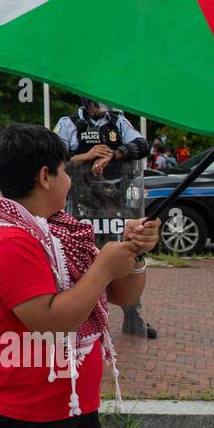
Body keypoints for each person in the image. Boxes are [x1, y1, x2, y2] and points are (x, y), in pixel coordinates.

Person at [0, 124, 158, 428]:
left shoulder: (63, 232)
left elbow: (123, 296)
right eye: (65, 170)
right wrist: (104, 265)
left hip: (73, 402)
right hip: (21, 410)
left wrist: (134, 254)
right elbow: (51, 322)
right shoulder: (9, 241)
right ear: (44, 176)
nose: (70, 181)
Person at [54, 96, 155, 339]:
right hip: (79, 205)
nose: (102, 106)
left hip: (115, 203)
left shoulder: (119, 121)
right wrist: (85, 156)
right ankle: (84, 317)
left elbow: (142, 145)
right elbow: (52, 158)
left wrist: (115, 155)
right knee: (81, 259)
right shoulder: (68, 123)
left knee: (126, 254)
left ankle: (133, 315)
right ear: (86, 102)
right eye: (96, 102)